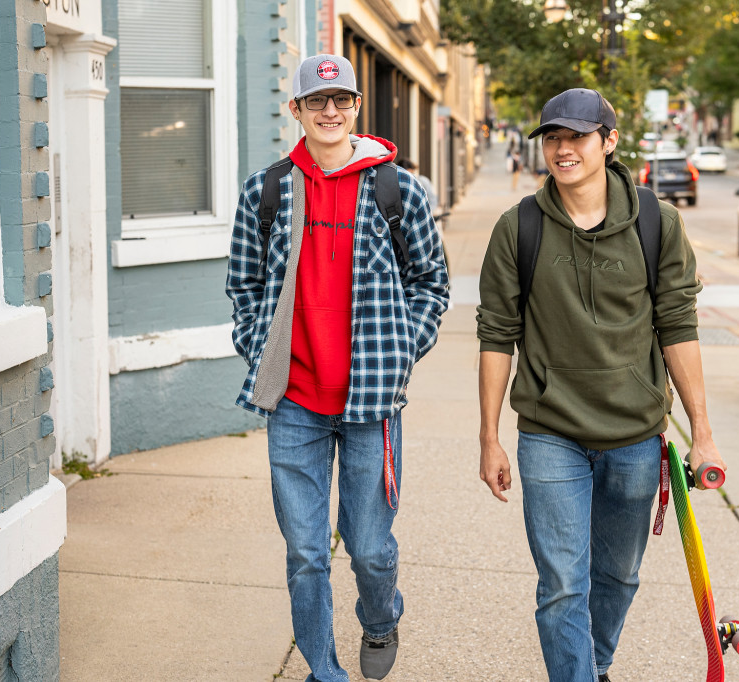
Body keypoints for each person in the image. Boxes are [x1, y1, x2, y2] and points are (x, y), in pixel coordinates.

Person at [475, 88, 726, 682]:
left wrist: (704, 434)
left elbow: (678, 327)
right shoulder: (519, 228)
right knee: (563, 583)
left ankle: (594, 665)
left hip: (636, 433)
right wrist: (489, 438)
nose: (563, 150)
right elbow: (495, 336)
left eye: (577, 137)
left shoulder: (657, 224)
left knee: (618, 576)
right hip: (549, 431)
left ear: (609, 142)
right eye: (553, 138)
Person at [226, 54, 449, 682]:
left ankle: (381, 619)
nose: (331, 111)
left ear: (357, 107)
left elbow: (431, 283)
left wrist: (404, 348)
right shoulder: (266, 191)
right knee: (304, 552)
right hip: (293, 399)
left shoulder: (398, 189)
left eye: (342, 100)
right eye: (317, 101)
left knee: (371, 549)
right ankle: (323, 670)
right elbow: (243, 286)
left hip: (370, 400)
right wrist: (259, 348)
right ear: (295, 110)